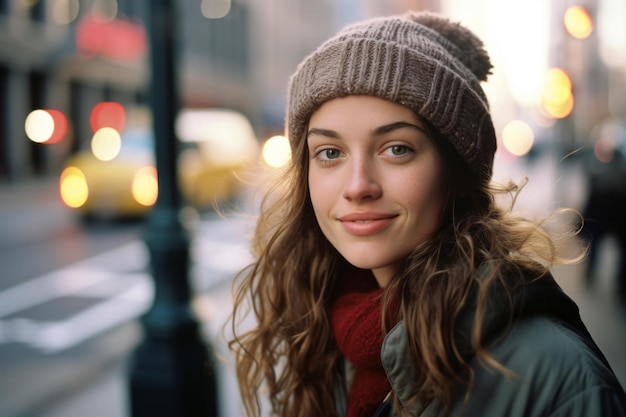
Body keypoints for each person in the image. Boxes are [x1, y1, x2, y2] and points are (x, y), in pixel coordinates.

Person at [229, 11, 626, 417]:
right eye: (330, 153)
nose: (357, 185)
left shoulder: (558, 378)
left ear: (456, 172)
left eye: (397, 148)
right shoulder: (322, 337)